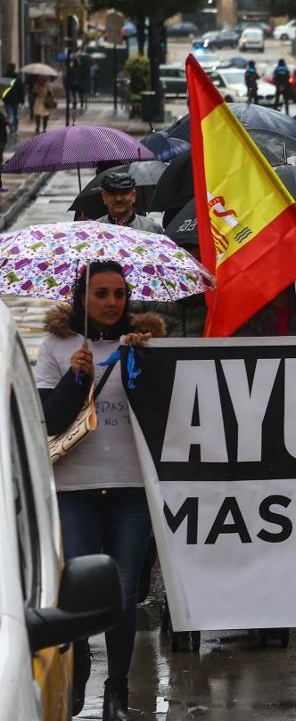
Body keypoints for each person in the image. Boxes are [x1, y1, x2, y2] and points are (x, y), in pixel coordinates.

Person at [35, 261, 165, 720]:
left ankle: (117, 692)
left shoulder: (145, 345)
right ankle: (78, 669)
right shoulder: (56, 345)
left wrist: (143, 362)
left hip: (130, 485)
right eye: (103, 293)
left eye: (120, 294)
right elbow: (48, 421)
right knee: (77, 593)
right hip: (75, 487)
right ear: (82, 297)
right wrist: (75, 377)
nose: (113, 303)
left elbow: (164, 412)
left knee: (125, 591)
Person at [96, 172, 163, 233]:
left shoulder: (151, 228)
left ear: (133, 196)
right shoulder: (94, 229)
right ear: (104, 197)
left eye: (123, 193)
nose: (118, 199)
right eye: (112, 193)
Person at [2, 62, 23, 136]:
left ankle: (12, 129)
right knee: (15, 114)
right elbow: (21, 89)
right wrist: (22, 99)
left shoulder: (5, 76)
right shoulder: (17, 77)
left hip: (7, 98)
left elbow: (2, 88)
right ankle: (15, 128)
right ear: (14, 68)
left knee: (10, 114)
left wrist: (2, 97)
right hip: (15, 99)